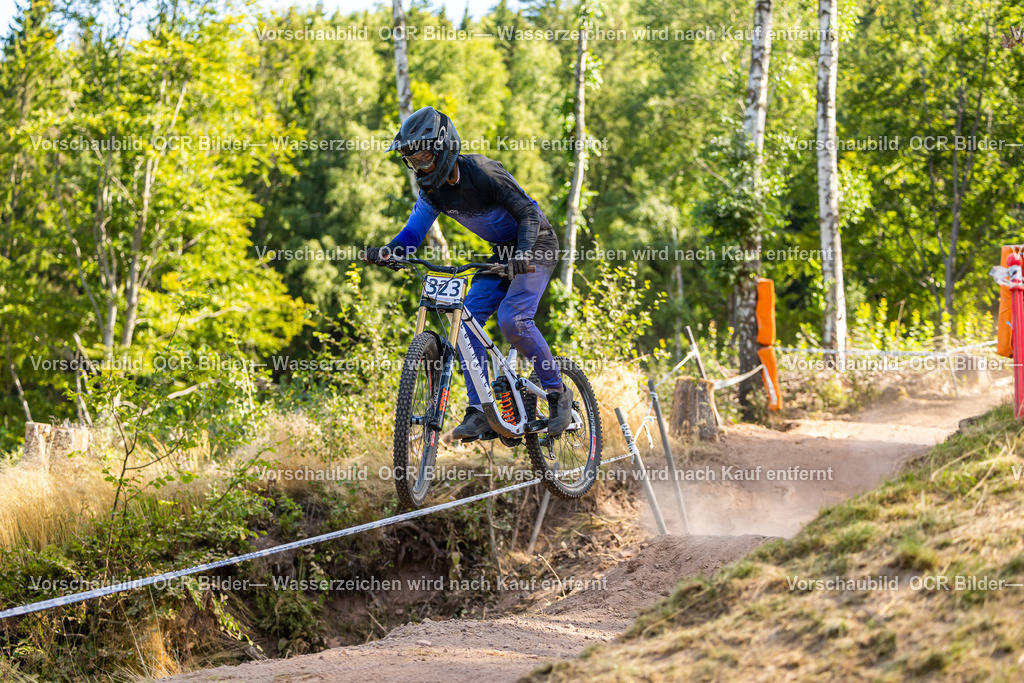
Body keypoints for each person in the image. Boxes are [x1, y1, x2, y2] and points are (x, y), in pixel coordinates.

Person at [363, 106, 572, 439]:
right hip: (502, 252)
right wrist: (389, 252)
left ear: (445, 147)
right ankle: (480, 410)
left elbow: (529, 214)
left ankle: (558, 392)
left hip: (536, 244)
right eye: (413, 161)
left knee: (513, 321)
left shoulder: (482, 171)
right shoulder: (432, 192)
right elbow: (413, 234)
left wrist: (521, 254)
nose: (420, 166)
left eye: (425, 158)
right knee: (465, 323)